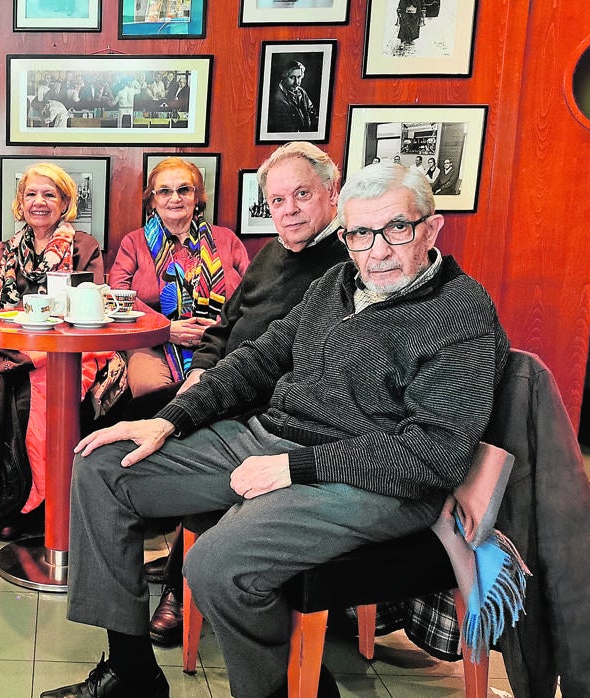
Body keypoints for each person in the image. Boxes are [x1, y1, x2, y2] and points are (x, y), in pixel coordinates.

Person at [41, 163, 509, 698]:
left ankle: (282, 690)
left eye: (396, 228)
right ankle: (132, 674)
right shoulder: (339, 282)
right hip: (272, 439)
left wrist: (294, 468)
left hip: (374, 480)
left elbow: (437, 455)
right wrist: (169, 417)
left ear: (431, 228)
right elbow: (261, 357)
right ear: (346, 232)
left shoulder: (460, 312)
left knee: (217, 564)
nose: (376, 250)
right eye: (359, 233)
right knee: (103, 467)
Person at [134, 142, 351, 648]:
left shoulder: (347, 263)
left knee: (184, 437)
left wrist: (213, 391)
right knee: (154, 422)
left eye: (302, 195)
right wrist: (201, 375)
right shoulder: (272, 253)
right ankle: (182, 559)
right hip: (230, 383)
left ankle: (178, 582)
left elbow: (310, 366)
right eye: (277, 200)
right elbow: (228, 324)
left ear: (331, 193)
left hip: (276, 407)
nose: (289, 209)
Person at [0, 163, 105, 539]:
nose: (39, 202)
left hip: (68, 346)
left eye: (49, 194)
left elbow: (91, 306)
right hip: (11, 344)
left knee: (40, 393)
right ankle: (2, 499)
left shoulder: (84, 246)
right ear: (19, 203)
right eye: (31, 194)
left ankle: (44, 506)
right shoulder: (3, 251)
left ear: (65, 203)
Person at [106, 157, 249, 401]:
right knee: (151, 392)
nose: (175, 198)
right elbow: (116, 295)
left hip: (221, 341)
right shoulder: (134, 242)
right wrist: (165, 329)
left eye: (184, 189)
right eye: (164, 191)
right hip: (153, 341)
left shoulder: (227, 239)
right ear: (152, 200)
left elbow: (251, 292)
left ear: (197, 197)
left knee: (229, 391)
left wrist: (219, 329)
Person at [267, 60, 317, 133]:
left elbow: (313, 114)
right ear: (283, 77)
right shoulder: (276, 97)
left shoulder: (301, 92)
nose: (297, 82)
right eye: (292, 77)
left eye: (299, 77)